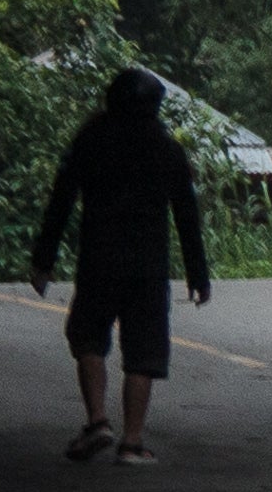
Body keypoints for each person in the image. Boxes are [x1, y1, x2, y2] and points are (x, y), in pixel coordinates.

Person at [27, 64, 211, 464]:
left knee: (87, 337)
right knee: (143, 352)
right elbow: (187, 215)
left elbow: (61, 201)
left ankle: (97, 420)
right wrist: (198, 275)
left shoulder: (91, 140)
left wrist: (43, 259)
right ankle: (132, 441)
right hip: (147, 267)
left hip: (99, 259)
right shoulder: (166, 148)